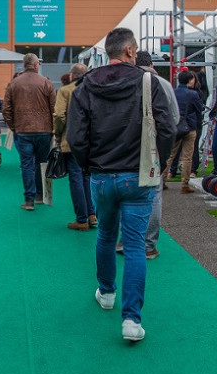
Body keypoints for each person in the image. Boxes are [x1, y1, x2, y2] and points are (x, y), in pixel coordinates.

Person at [67, 28, 175, 342]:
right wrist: (158, 164)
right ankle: (131, 320)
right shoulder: (149, 82)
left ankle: (106, 292)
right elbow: (167, 127)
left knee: (105, 235)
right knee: (135, 245)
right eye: (136, 48)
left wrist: (89, 164)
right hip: (138, 175)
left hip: (102, 174)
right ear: (129, 51)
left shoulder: (86, 84)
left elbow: (76, 135)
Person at [115, 51, 179, 259]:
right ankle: (148, 244)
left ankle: (125, 239)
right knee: (154, 195)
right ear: (152, 64)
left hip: (127, 147)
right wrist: (164, 152)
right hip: (154, 148)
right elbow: (174, 118)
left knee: (125, 193)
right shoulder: (164, 84)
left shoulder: (124, 82)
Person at [3, 54, 56, 211]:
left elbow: (6, 109)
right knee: (42, 163)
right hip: (44, 130)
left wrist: (14, 126)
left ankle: (29, 200)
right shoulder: (46, 82)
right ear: (36, 65)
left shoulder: (14, 84)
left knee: (27, 164)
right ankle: (41, 195)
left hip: (23, 130)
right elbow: (54, 108)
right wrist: (53, 128)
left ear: (24, 65)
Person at [54, 63, 95, 230]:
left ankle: (81, 218)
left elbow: (59, 115)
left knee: (76, 178)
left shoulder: (65, 91)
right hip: (91, 141)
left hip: (72, 140)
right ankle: (92, 214)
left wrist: (58, 134)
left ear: (71, 76)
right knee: (87, 177)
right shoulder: (93, 90)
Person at [162, 71, 202, 194]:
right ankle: (185, 184)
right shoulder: (193, 94)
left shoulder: (173, 92)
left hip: (175, 127)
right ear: (190, 80)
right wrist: (198, 124)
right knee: (187, 157)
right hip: (190, 126)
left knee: (170, 155)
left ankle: (162, 181)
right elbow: (198, 110)